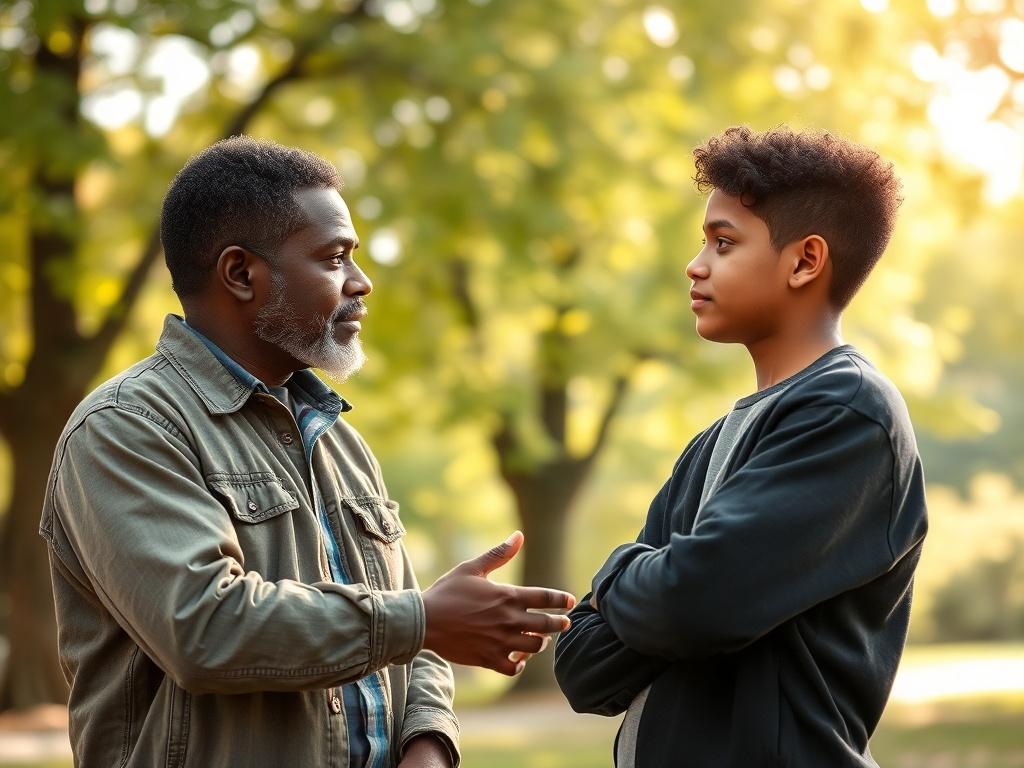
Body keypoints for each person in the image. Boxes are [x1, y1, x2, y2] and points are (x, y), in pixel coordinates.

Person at [39, 136, 575, 768]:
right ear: (241, 274)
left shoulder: (339, 438)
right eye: (334, 258)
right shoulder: (126, 428)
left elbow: (409, 630)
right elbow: (204, 627)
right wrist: (420, 621)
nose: (362, 282)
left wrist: (428, 742)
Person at [554, 126, 928, 768]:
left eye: (723, 243)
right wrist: (669, 590)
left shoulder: (846, 413)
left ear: (806, 261)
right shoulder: (711, 446)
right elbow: (583, 668)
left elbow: (691, 604)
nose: (695, 265)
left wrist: (619, 570)